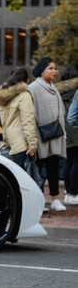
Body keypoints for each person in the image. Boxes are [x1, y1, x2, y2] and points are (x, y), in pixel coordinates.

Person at [29, 57, 67, 212]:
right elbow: (31, 112)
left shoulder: (53, 87)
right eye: (50, 68)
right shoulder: (33, 87)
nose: (54, 71)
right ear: (42, 70)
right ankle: (38, 201)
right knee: (37, 168)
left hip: (55, 133)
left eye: (55, 68)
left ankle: (55, 199)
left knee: (53, 167)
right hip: (40, 134)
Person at [0, 68, 37, 169]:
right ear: (27, 80)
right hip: (22, 142)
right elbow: (28, 121)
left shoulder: (4, 97)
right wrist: (32, 144)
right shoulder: (24, 95)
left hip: (10, 140)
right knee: (24, 178)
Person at [58, 64, 78, 205]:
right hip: (75, 129)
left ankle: (67, 192)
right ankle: (74, 192)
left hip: (63, 129)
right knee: (76, 161)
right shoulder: (75, 91)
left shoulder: (59, 90)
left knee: (69, 161)